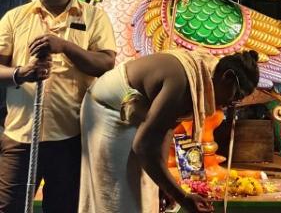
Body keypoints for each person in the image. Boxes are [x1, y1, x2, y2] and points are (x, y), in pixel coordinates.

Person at [0, 0, 116, 213]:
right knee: (8, 208)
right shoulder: (15, 18)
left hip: (70, 138)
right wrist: (22, 73)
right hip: (20, 136)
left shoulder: (93, 17)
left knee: (63, 208)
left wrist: (65, 46)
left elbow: (106, 64)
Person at [78, 48, 260, 213]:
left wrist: (165, 185)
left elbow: (165, 131)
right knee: (119, 196)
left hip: (134, 112)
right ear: (227, 77)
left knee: (147, 193)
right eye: (237, 96)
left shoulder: (205, 75)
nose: (232, 104)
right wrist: (183, 197)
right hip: (107, 108)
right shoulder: (183, 82)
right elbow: (143, 146)